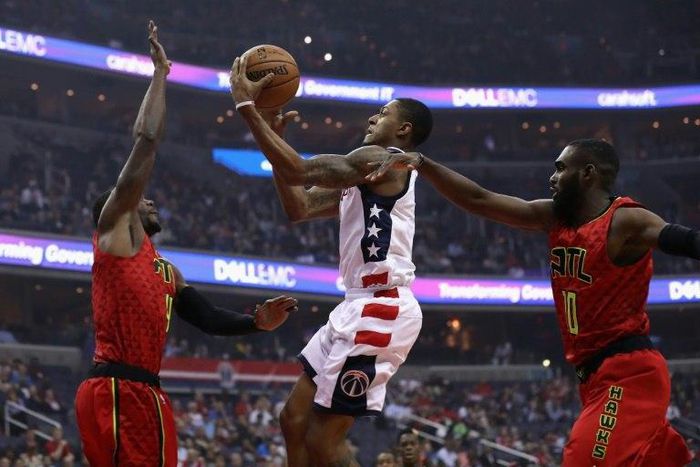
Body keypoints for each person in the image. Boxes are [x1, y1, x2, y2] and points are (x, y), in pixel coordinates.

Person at [369, 139, 696, 466]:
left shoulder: (627, 219)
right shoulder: (554, 218)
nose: (552, 178)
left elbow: (686, 240)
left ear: (588, 174)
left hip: (629, 371)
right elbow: (479, 199)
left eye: (561, 168)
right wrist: (422, 163)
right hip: (593, 377)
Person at [74, 22, 298, 465]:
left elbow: (208, 318)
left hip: (144, 390)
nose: (151, 200)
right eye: (143, 198)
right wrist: (160, 75)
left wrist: (257, 321)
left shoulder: (165, 270)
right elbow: (147, 140)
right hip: (120, 387)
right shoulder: (116, 232)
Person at [230, 54, 433, 466]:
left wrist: (248, 110)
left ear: (404, 129)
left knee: (323, 441)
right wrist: (273, 141)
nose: (375, 117)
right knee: (291, 420)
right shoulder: (362, 176)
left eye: (385, 113)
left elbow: (302, 170)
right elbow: (299, 206)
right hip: (356, 304)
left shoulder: (383, 160)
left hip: (383, 306)